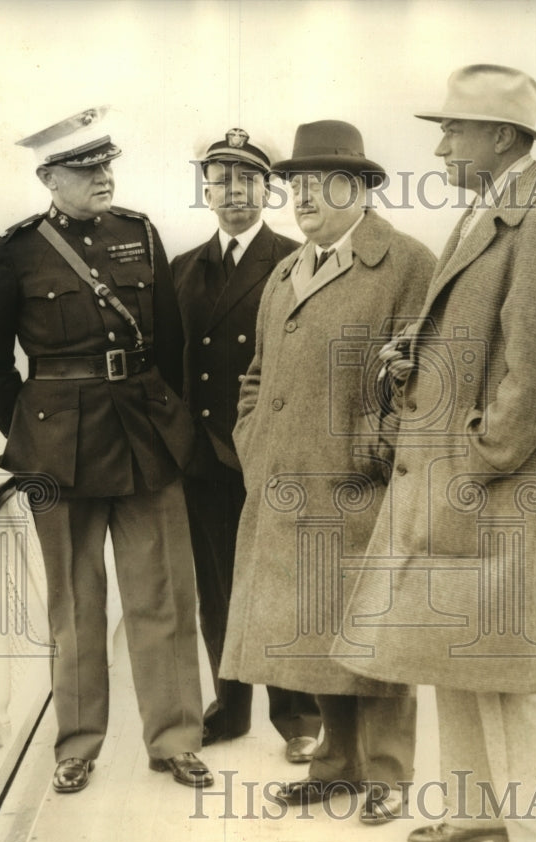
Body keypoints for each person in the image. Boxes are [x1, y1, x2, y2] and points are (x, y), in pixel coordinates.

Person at [335, 66, 536, 842]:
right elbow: (481, 335)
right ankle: (483, 810)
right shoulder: (488, 213)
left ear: (502, 138)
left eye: (454, 130)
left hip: (497, 493)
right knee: (455, 650)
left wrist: (481, 459)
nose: (440, 145)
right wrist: (416, 350)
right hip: (458, 490)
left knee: (518, 665)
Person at [0, 106, 213, 794]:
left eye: (107, 164)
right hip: (59, 451)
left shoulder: (138, 234)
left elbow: (168, 343)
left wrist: (169, 424)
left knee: (163, 594)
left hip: (144, 440)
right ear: (50, 178)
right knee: (75, 604)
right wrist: (33, 430)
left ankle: (175, 741)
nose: (104, 176)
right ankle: (77, 746)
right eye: (86, 168)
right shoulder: (13, 252)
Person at [218, 120, 436, 823]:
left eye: (318, 184)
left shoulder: (407, 263)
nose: (300, 198)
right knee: (322, 626)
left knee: (377, 631)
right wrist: (254, 443)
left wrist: (379, 449)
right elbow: (253, 379)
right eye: (295, 185)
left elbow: (428, 380)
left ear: (362, 187)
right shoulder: (286, 271)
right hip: (287, 481)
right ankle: (337, 765)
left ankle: (389, 775)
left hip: (363, 484)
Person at [172, 129, 322, 763]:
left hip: (270, 451)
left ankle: (298, 715)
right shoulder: (179, 270)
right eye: (221, 179)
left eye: (247, 180)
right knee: (216, 586)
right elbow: (169, 366)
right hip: (203, 457)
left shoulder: (295, 260)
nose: (233, 192)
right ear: (205, 189)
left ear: (269, 189)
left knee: (280, 581)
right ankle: (229, 708)